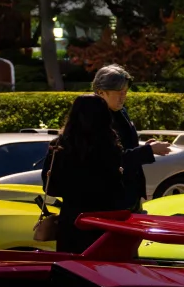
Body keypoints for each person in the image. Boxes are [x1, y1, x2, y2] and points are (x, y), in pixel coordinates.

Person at [43, 95, 125, 253]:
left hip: (71, 217)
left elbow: (51, 187)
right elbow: (117, 189)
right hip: (102, 219)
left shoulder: (59, 147)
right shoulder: (109, 147)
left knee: (71, 267)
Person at [90, 64, 172, 209]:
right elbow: (111, 159)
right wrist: (148, 151)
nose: (123, 97)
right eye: (119, 92)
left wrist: (146, 148)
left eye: (125, 92)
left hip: (130, 192)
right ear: (101, 92)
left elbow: (125, 147)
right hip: (110, 198)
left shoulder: (121, 112)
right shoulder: (93, 118)